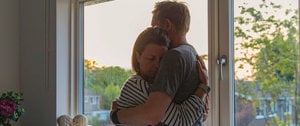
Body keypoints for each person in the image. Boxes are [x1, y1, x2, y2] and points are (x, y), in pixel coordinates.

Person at [111, 1, 210, 125]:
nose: (158, 65)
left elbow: (157, 116)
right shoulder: (193, 54)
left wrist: (116, 116)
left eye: (154, 26)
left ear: (168, 24)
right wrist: (204, 88)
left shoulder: (174, 56)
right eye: (151, 58)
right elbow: (203, 114)